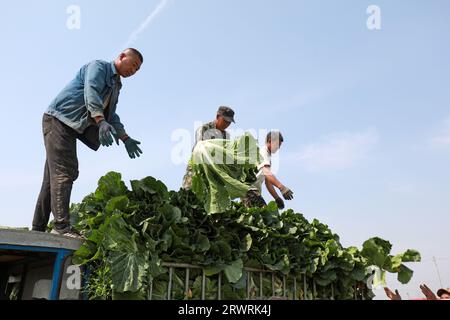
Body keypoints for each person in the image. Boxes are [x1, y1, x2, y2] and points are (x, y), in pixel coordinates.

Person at [32, 48, 144, 238]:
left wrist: (125, 138)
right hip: (59, 119)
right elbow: (90, 92)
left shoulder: (116, 86)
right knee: (65, 172)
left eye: (137, 69)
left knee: (51, 179)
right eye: (133, 65)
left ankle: (37, 230)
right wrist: (100, 121)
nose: (134, 71)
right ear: (121, 57)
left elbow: (112, 114)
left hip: (69, 125)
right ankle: (61, 227)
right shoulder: (98, 67)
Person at [182, 106, 235, 190]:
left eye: (229, 122)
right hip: (197, 167)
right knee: (188, 192)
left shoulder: (226, 136)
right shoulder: (204, 129)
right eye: (225, 121)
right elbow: (201, 147)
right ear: (218, 117)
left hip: (213, 171)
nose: (226, 124)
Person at [242, 131, 294, 209]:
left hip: (252, 191)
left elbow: (268, 182)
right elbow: (266, 172)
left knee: (257, 217)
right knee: (264, 214)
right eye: (277, 145)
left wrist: (276, 198)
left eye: (280, 145)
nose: (278, 148)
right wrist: (282, 187)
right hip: (249, 190)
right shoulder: (263, 152)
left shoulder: (268, 157)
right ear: (270, 141)